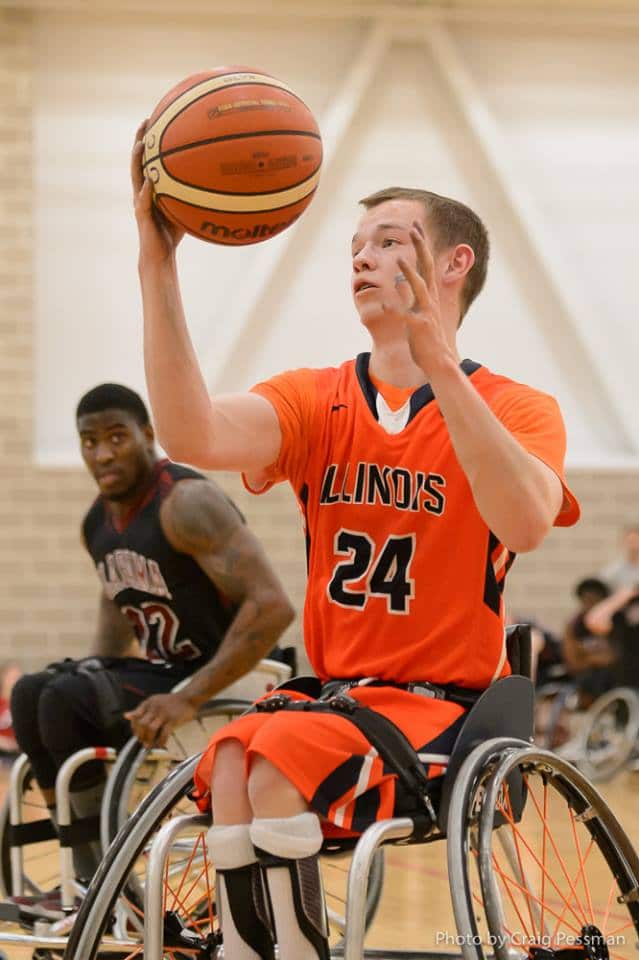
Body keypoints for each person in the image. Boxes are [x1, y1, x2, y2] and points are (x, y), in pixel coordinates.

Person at [131, 117, 580, 960]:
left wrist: (439, 362)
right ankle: (254, 948)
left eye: (388, 241)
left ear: (454, 264)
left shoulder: (519, 409)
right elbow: (189, 434)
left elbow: (523, 522)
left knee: (272, 761)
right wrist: (159, 260)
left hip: (446, 710)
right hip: (337, 695)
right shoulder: (314, 398)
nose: (362, 259)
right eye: (355, 247)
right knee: (232, 756)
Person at [8, 383, 294, 920]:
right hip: (169, 673)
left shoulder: (187, 503)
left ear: (147, 435)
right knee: (33, 694)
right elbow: (119, 602)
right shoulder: (97, 523)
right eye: (89, 441)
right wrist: (94, 670)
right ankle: (82, 871)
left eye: (117, 437)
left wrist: (186, 697)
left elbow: (274, 606)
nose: (104, 453)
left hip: (234, 677)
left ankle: (99, 882)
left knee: (65, 700)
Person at [562, 577, 616, 705]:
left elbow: (617, 657)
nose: (590, 605)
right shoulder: (574, 625)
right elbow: (572, 661)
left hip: (612, 677)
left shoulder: (615, 623)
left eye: (595, 600)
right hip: (585, 676)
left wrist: (593, 658)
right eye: (587, 600)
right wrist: (594, 660)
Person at [600, 525, 639, 591]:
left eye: (636, 540)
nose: (633, 545)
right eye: (630, 541)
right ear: (623, 542)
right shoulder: (611, 571)